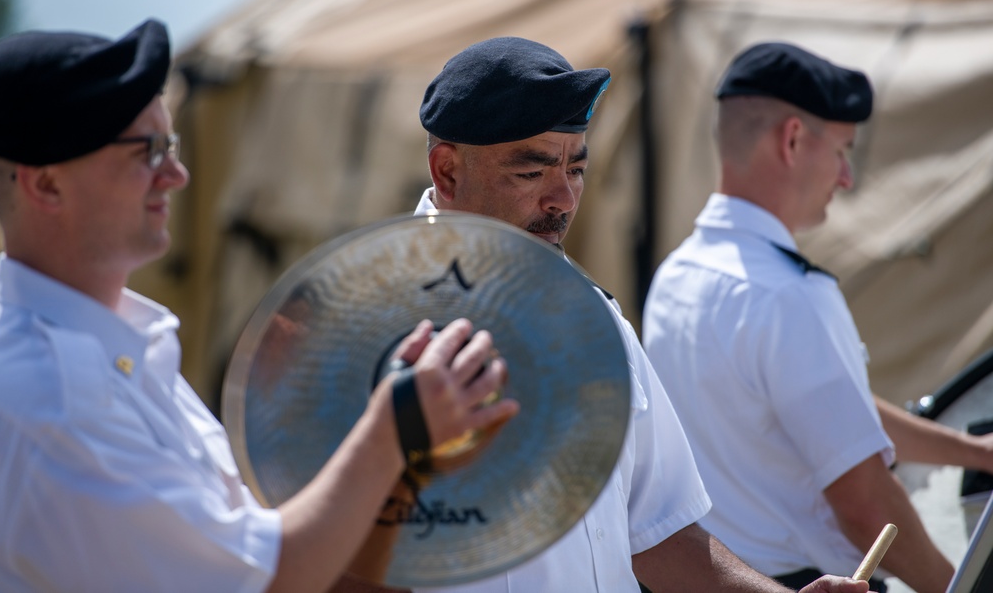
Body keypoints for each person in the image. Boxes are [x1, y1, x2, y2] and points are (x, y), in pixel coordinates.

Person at [0, 19, 518, 592]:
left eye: (169, 144)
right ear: (45, 187)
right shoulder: (47, 397)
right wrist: (392, 431)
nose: (176, 174)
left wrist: (402, 467)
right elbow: (267, 580)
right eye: (145, 151)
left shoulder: (123, 348)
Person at [333, 37, 871, 593]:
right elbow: (337, 563)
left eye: (577, 169)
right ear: (447, 171)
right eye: (531, 172)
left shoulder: (593, 314)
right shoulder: (368, 330)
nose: (563, 199)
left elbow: (657, 533)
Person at [641, 42, 961, 593]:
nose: (846, 177)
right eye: (842, 151)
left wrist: (972, 451)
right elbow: (863, 503)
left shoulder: (677, 274)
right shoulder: (789, 295)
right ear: (791, 140)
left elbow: (823, 410)